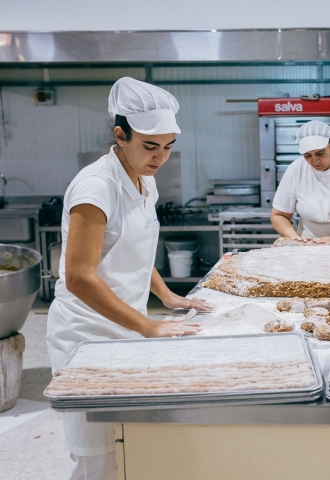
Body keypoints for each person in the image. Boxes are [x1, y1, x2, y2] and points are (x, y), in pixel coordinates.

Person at [46, 77, 210, 480]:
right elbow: (79, 277)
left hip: (128, 327)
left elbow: (134, 247)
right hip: (87, 336)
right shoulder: (96, 188)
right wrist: (147, 326)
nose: (160, 157)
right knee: (98, 454)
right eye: (150, 146)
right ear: (120, 136)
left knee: (130, 445)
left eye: (168, 146)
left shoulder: (145, 180)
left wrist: (166, 295)